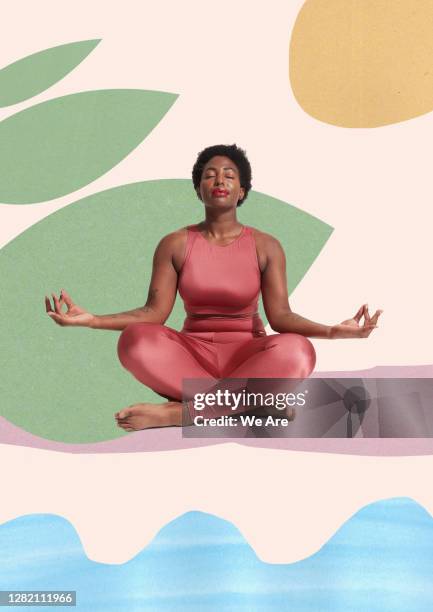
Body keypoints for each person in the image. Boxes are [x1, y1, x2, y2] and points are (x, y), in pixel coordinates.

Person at [45, 144, 382, 432]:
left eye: (229, 175)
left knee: (298, 352)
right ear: (198, 188)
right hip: (191, 355)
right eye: (209, 174)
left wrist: (333, 331)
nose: (219, 180)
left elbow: (280, 317)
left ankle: (181, 413)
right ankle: (252, 405)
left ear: (242, 191)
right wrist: (91, 320)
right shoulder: (175, 243)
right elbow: (153, 313)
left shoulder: (266, 246)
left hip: (249, 356)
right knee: (135, 339)